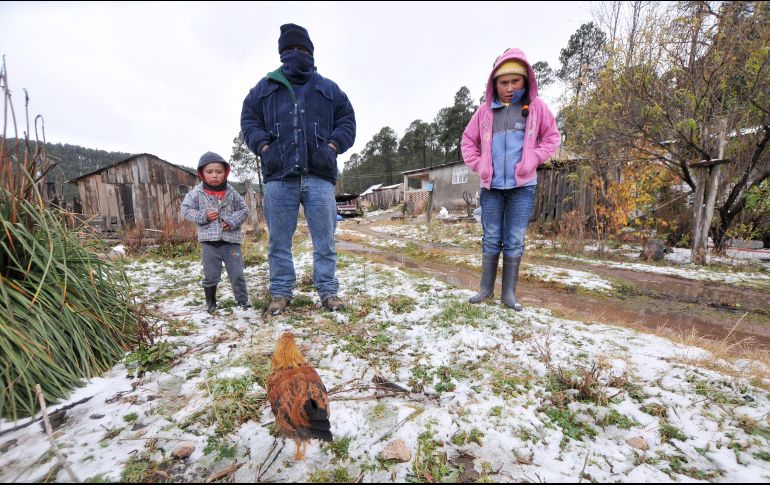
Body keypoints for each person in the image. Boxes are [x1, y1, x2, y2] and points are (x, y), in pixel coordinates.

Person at [240, 23, 356, 316]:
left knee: (325, 240)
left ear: (311, 53)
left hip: (320, 177)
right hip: (279, 177)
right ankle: (280, 293)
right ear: (281, 54)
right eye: (290, 50)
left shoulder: (327, 89)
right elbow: (249, 121)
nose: (296, 55)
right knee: (279, 240)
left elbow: (347, 121)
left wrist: (332, 146)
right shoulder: (265, 88)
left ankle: (328, 292)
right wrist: (265, 147)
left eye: (301, 50)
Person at [462, 48, 560, 310]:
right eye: (503, 82)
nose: (509, 87)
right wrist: (479, 164)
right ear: (494, 84)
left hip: (522, 188)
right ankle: (485, 290)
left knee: (515, 239)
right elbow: (468, 142)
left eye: (514, 81)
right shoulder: (484, 112)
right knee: (492, 236)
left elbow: (552, 137)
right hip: (491, 188)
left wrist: (533, 159)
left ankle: (508, 295)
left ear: (525, 80)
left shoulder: (536, 108)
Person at [181, 151, 251, 312]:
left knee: (237, 274)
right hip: (209, 244)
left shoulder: (231, 192)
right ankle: (211, 303)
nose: (214, 176)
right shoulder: (197, 193)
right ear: (202, 174)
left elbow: (244, 209)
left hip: (231, 243)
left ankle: (242, 300)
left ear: (225, 173)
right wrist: (203, 216)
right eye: (209, 172)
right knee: (211, 275)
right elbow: (185, 209)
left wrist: (232, 221)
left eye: (219, 172)